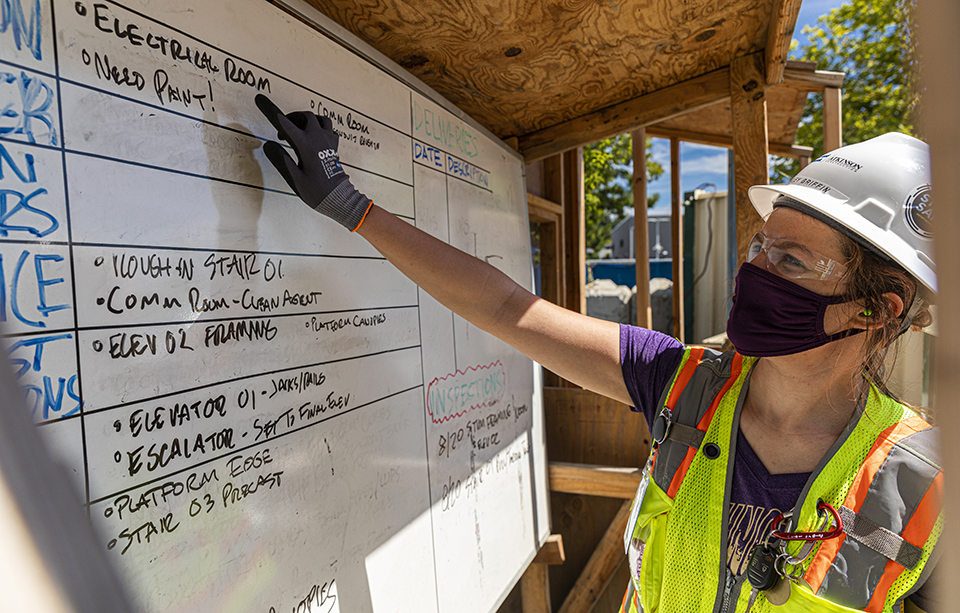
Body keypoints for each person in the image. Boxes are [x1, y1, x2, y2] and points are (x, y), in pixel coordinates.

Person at [254, 95, 941, 613]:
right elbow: (505, 308)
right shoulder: (684, 386)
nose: (754, 270)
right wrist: (352, 206)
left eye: (791, 261)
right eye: (760, 246)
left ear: (876, 309)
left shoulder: (929, 484)